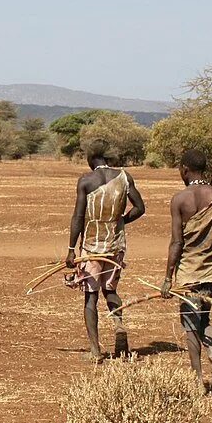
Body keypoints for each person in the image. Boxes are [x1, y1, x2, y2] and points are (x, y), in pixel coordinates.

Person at [161, 149, 212, 392]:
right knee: (203, 315)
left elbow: (177, 243)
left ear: (184, 169)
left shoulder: (180, 200)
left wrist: (167, 277)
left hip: (188, 273)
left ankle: (197, 379)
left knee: (190, 324)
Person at [64, 143, 146, 362]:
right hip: (116, 245)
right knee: (110, 290)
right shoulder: (124, 177)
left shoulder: (86, 181)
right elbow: (140, 208)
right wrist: (121, 222)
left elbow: (78, 218)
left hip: (91, 246)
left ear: (91, 160)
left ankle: (95, 351)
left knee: (90, 297)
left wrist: (72, 250)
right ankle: (119, 325)